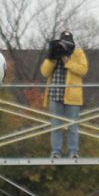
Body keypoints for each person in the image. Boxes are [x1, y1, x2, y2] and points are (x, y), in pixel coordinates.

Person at [41, 30, 89, 158]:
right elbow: (45, 72)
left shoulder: (78, 53)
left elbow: (83, 70)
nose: (64, 47)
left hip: (72, 96)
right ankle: (56, 151)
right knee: (56, 125)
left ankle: (73, 151)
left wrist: (68, 62)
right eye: (63, 44)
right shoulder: (54, 53)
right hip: (55, 94)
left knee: (72, 126)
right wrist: (52, 58)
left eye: (67, 44)